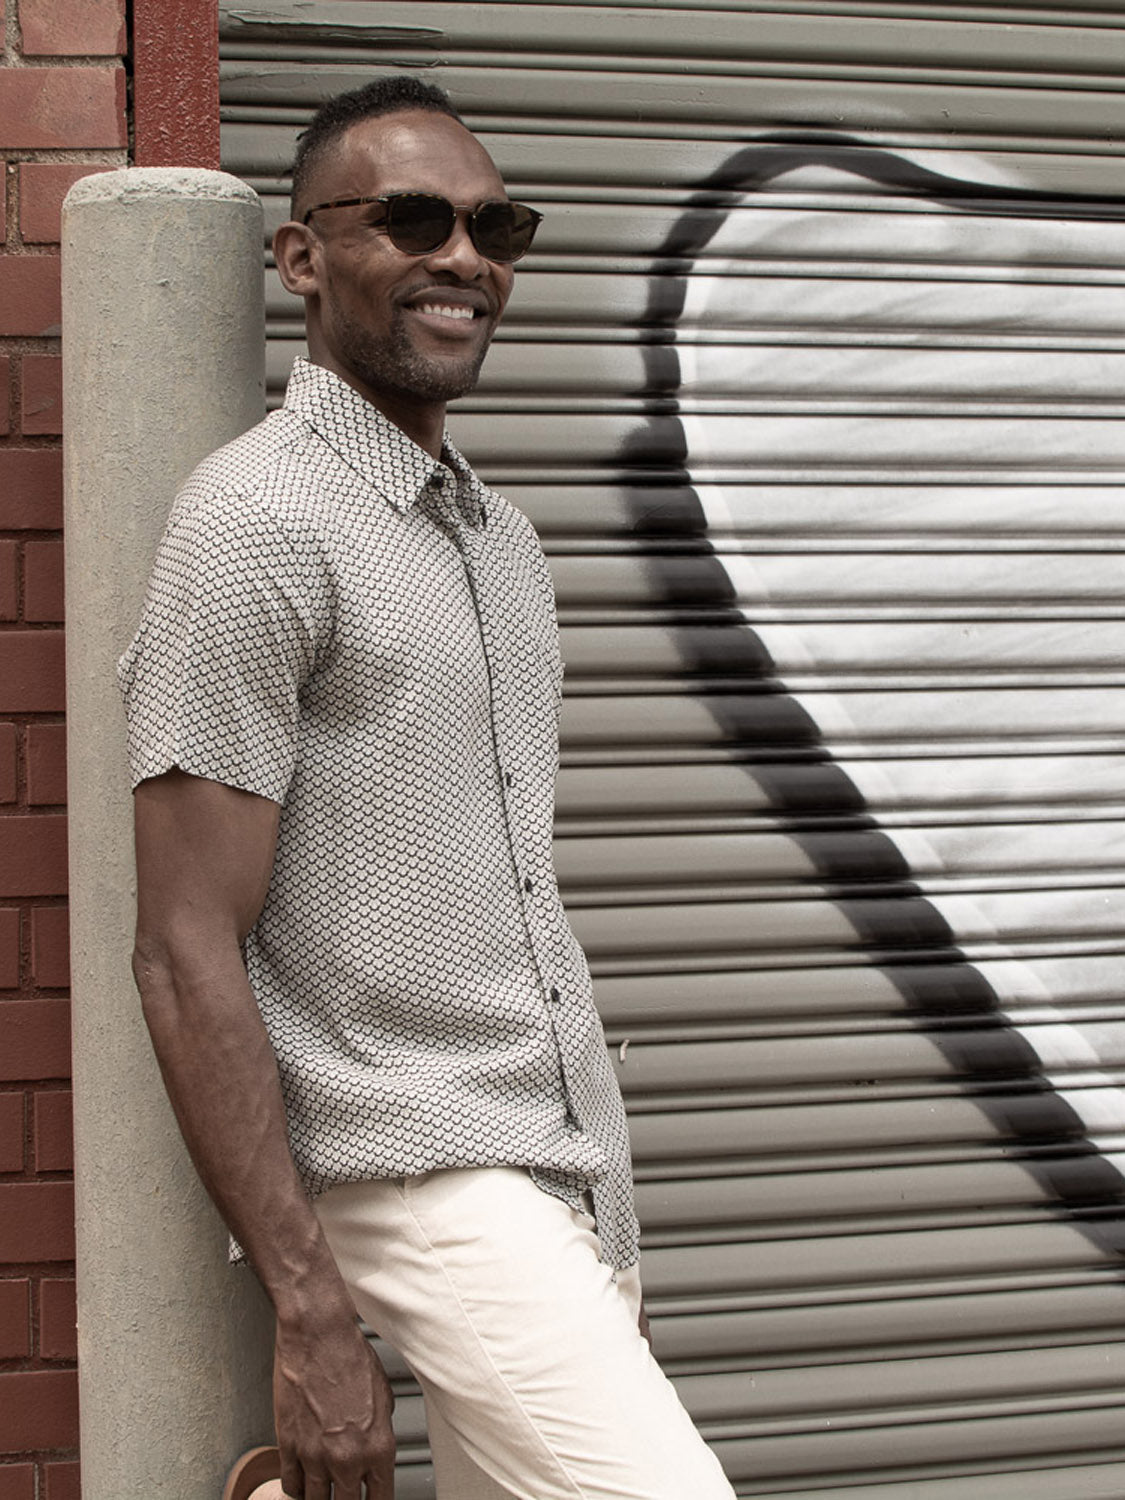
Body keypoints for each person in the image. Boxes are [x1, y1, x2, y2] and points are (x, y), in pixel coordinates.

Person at [120, 76, 736, 1500]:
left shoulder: (499, 541)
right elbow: (181, 945)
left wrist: (603, 1222)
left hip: (556, 1160)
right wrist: (308, 1306)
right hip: (410, 1169)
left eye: (493, 225)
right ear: (299, 256)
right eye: (408, 219)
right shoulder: (255, 523)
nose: (465, 257)